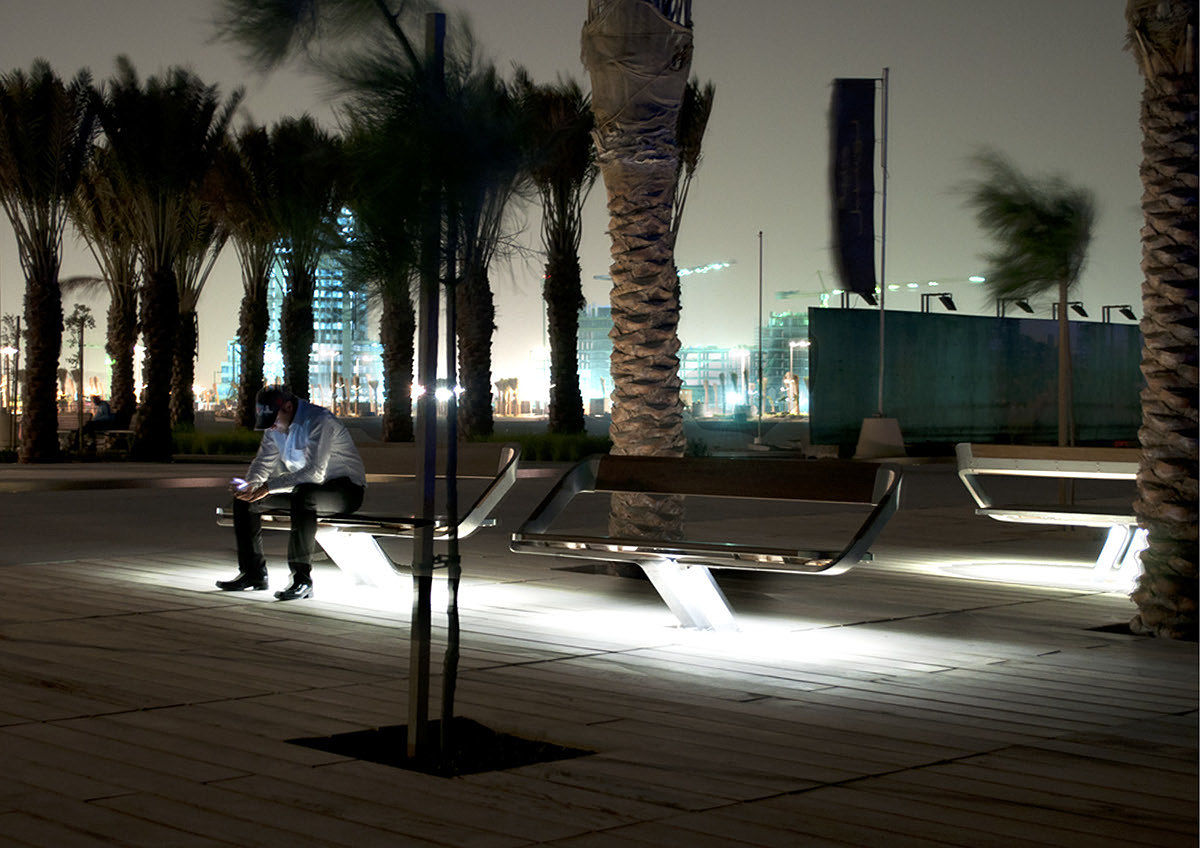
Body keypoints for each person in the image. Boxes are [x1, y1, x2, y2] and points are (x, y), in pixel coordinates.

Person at [217, 386, 366, 601]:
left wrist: (268, 486)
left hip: (345, 490)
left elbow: (315, 472)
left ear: (288, 407)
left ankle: (301, 579)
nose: (272, 427)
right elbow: (264, 461)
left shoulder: (318, 420)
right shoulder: (274, 426)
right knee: (245, 502)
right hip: (305, 488)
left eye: (274, 420)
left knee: (304, 496)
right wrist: (250, 486)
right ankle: (253, 573)